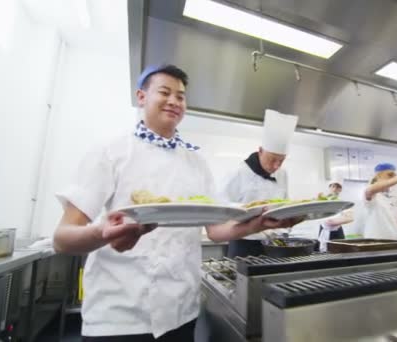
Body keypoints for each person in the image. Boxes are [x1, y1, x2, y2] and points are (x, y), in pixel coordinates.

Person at [52, 65, 298, 342]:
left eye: (180, 96)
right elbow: (62, 239)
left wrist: (256, 223)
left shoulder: (196, 162)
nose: (174, 101)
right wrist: (101, 232)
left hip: (181, 312)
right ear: (141, 96)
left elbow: (216, 230)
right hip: (119, 317)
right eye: (165, 92)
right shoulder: (111, 151)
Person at [223, 109, 298, 257]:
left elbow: (284, 203)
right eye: (272, 159)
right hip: (245, 244)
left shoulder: (282, 174)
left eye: (281, 160)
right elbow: (222, 207)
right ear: (260, 151)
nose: (277, 166)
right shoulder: (238, 172)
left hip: (277, 242)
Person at [363, 163, 397, 240]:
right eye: (390, 175)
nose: (394, 178)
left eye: (395, 175)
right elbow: (371, 190)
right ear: (377, 176)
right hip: (376, 241)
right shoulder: (373, 194)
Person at [318, 182, 353, 252]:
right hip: (324, 229)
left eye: (337, 187)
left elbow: (350, 218)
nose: (335, 189)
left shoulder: (344, 202)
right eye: (333, 186)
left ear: (340, 190)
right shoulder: (322, 200)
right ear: (329, 188)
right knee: (323, 253)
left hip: (337, 231)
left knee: (340, 252)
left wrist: (333, 222)